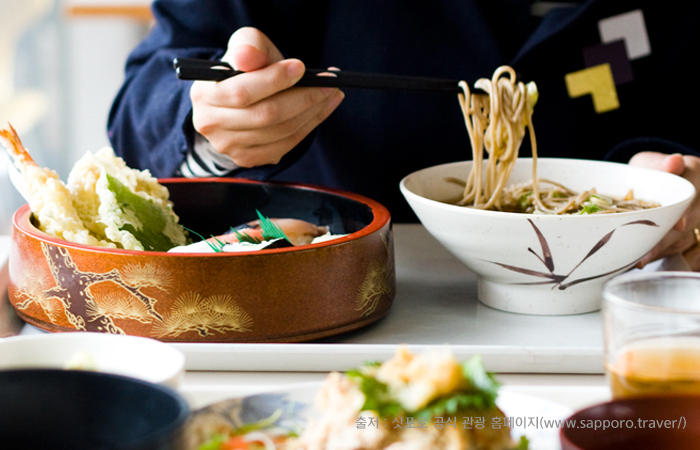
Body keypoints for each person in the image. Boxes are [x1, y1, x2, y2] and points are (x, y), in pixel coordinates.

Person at [107, 0, 700, 270]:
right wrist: (213, 130)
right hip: (329, 287)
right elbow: (143, 105)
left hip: (626, 299)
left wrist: (681, 177)